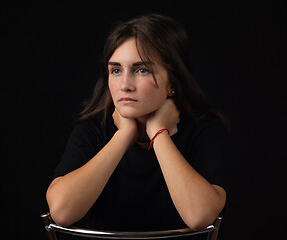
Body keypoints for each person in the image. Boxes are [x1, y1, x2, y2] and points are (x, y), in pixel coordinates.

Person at [46, 13, 230, 233]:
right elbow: (62, 212)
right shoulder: (94, 128)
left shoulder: (204, 129)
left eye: (141, 70)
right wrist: (123, 136)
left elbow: (200, 217)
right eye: (116, 70)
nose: (125, 85)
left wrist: (158, 133)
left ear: (173, 81)